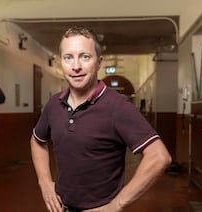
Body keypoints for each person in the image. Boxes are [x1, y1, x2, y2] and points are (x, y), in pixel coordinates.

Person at [30, 26, 171, 212]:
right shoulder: (53, 104)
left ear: (99, 62)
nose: (76, 66)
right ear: (61, 62)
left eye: (85, 56)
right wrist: (45, 182)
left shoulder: (117, 107)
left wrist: (116, 205)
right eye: (68, 57)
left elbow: (159, 157)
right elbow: (37, 141)